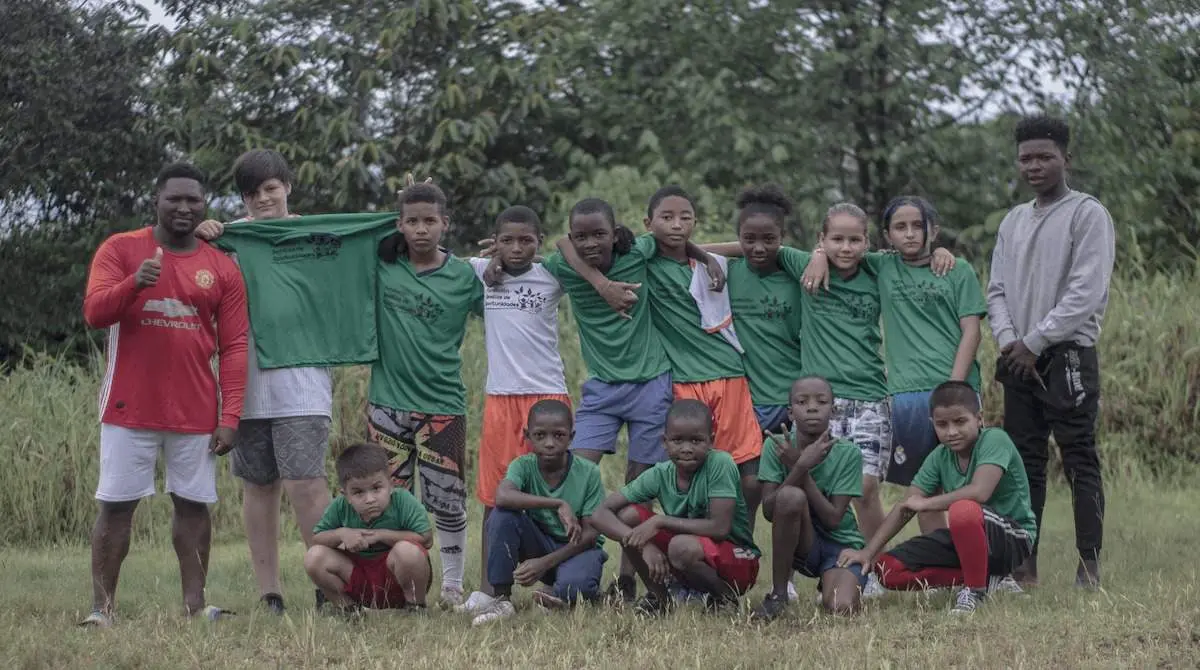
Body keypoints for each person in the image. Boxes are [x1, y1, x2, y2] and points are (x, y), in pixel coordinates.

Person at [79, 162, 249, 626]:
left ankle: (196, 608)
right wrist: (134, 284)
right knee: (115, 508)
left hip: (196, 410)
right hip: (127, 408)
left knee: (194, 507)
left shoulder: (222, 267)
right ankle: (102, 611)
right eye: (174, 198)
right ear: (155, 200)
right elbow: (94, 313)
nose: (184, 207)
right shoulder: (122, 249)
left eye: (193, 199)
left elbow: (235, 346)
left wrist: (230, 415)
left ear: (204, 204)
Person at [195, 149, 334, 614]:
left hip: (303, 380)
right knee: (258, 485)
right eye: (252, 193)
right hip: (244, 382)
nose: (262, 200)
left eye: (270, 189)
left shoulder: (314, 237)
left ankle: (329, 583)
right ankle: (269, 592)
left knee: (307, 483)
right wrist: (201, 236)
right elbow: (185, 266)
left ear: (287, 187)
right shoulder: (227, 238)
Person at [987, 115, 1115, 589]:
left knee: (1080, 459)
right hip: (1017, 358)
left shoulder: (1087, 214)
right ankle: (1025, 564)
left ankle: (1089, 563)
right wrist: (1008, 342)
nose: (1034, 166)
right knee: (1024, 465)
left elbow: (1085, 291)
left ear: (1066, 157)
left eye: (1045, 156)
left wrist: (1035, 341)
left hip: (1067, 357)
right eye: (1026, 158)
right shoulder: (1014, 220)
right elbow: (996, 289)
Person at [535, 198, 674, 604]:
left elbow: (676, 241)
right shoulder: (567, 264)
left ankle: (628, 578)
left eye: (599, 234)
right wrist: (600, 284)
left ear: (616, 234)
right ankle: (570, 570)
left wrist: (707, 256)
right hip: (602, 388)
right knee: (571, 475)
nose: (590, 242)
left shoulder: (638, 253)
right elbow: (556, 246)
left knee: (639, 486)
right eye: (582, 236)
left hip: (651, 383)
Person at [368, 181, 484, 607]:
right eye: (411, 221)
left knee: (447, 500)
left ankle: (452, 585)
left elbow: (508, 300)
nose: (420, 230)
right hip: (386, 403)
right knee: (390, 499)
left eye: (429, 221)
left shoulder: (465, 276)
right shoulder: (381, 266)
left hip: (442, 406)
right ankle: (393, 584)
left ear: (445, 224)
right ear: (398, 224)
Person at [458, 206, 572, 615]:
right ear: (494, 241)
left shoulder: (552, 275)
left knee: (552, 490)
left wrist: (534, 258)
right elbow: (433, 255)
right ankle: (493, 589)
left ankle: (563, 582)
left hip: (547, 398)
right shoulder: (481, 271)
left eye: (526, 240)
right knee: (494, 494)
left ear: (540, 242)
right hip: (501, 398)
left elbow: (578, 257)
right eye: (507, 240)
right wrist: (491, 260)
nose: (517, 247)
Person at [836, 382, 1035, 614]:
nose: (951, 432)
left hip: (1013, 537)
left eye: (960, 422)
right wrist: (868, 553)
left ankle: (974, 591)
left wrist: (927, 503)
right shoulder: (939, 457)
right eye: (942, 424)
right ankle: (988, 579)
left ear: (979, 418)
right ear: (933, 425)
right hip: (970, 539)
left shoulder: (994, 439)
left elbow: (980, 492)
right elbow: (906, 505)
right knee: (888, 570)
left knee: (963, 509)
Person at [875, 196, 987, 532]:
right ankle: (941, 569)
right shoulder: (881, 267)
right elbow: (839, 251)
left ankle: (990, 562)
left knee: (970, 482)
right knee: (926, 486)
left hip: (955, 389)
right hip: (906, 394)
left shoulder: (957, 269)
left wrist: (952, 389)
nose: (909, 234)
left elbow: (972, 331)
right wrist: (820, 256)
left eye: (917, 226)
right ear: (887, 235)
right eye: (900, 227)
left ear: (933, 230)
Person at [590, 400, 761, 615]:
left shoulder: (720, 463)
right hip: (687, 555)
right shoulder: (660, 473)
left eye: (696, 440)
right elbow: (599, 514)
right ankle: (660, 600)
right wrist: (645, 546)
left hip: (737, 562)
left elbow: (720, 528)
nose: (687, 449)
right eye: (678, 440)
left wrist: (660, 520)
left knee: (680, 546)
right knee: (628, 516)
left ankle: (725, 598)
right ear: (665, 442)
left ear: (711, 441)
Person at [472, 400, 608, 625]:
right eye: (540, 435)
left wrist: (543, 563)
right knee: (501, 516)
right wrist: (556, 504)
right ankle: (502, 599)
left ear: (572, 437)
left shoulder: (589, 472)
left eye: (559, 435)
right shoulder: (523, 465)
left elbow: (590, 536)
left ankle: (566, 594)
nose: (549, 443)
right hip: (540, 542)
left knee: (576, 590)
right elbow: (503, 496)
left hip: (577, 549)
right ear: (527, 435)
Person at [753, 376, 867, 620]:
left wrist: (800, 468)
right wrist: (800, 466)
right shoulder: (775, 447)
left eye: (821, 401)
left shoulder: (848, 453)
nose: (812, 407)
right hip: (800, 545)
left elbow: (834, 519)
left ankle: (830, 581)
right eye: (802, 402)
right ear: (790, 412)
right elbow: (769, 510)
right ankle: (779, 594)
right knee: (790, 497)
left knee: (841, 607)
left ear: (833, 410)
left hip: (840, 546)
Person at [304, 443, 433, 615]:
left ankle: (415, 607)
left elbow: (426, 538)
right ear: (346, 495)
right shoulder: (340, 506)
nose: (370, 499)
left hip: (397, 577)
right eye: (358, 493)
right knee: (314, 556)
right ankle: (348, 610)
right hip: (360, 577)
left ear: (391, 484)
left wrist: (380, 535)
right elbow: (317, 538)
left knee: (407, 551)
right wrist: (342, 534)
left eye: (376, 488)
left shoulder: (403, 501)